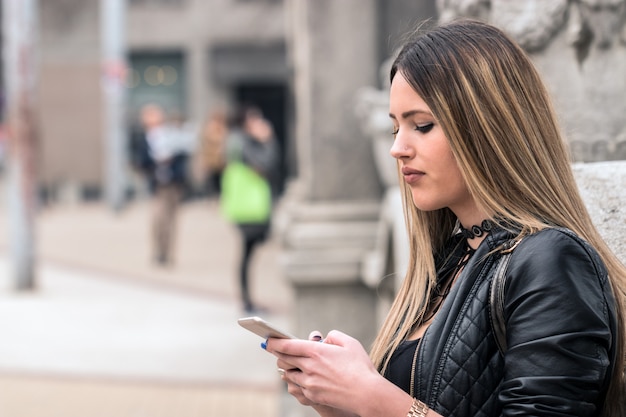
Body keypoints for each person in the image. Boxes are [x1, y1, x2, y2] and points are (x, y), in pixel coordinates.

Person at [264, 19, 626, 417]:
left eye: (422, 125)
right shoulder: (451, 259)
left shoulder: (550, 261)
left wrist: (372, 394)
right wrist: (339, 400)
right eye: (394, 128)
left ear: (489, 126)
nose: (398, 148)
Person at [224, 105, 280, 313]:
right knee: (247, 253)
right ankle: (246, 300)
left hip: (245, 206)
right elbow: (267, 164)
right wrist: (268, 141)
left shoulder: (236, 141)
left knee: (248, 253)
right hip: (250, 208)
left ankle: (247, 298)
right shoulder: (244, 143)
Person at [134, 104, 191, 266]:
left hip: (173, 183)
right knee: (159, 219)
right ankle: (159, 251)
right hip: (158, 185)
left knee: (172, 220)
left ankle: (169, 253)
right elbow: (142, 162)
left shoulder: (172, 135)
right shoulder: (145, 139)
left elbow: (184, 153)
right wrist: (155, 165)